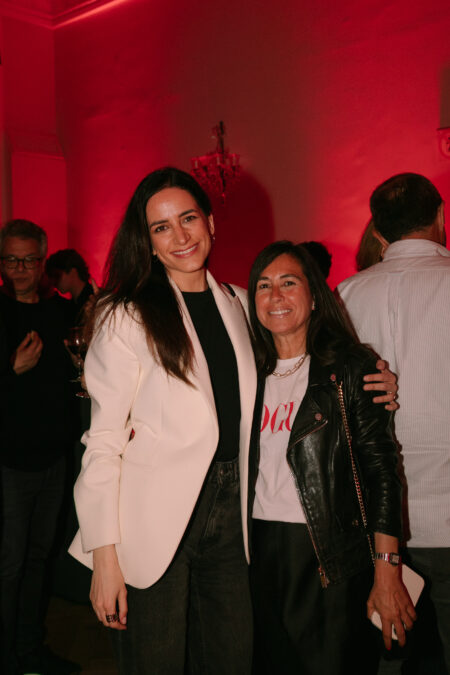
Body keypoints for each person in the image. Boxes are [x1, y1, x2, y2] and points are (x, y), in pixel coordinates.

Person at [69, 167, 398, 675]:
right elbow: (103, 441)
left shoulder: (240, 304)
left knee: (231, 658)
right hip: (150, 524)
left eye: (188, 219)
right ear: (148, 242)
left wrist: (373, 378)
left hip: (232, 515)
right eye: (161, 228)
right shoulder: (127, 314)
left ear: (210, 222)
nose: (180, 237)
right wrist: (104, 557)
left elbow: (303, 359)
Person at [247, 240, 415, 675]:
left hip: (329, 556)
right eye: (263, 285)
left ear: (314, 295)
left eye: (289, 282)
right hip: (257, 554)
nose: (275, 295)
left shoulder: (350, 368)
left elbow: (382, 473)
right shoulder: (245, 373)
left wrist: (388, 571)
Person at [338, 173, 450, 674]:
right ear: (440, 216)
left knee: (386, 659)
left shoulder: (344, 296)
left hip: (376, 524)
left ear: (379, 232)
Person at [0, 219, 80, 675]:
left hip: (54, 458)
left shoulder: (60, 313)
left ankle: (30, 650)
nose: (19, 269)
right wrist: (10, 368)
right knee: (10, 566)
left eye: (28, 260)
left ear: (43, 261)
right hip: (10, 462)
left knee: (39, 560)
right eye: (11, 259)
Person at [45, 248, 95, 326]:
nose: (53, 281)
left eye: (57, 276)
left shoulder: (94, 299)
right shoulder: (70, 305)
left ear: (73, 272)